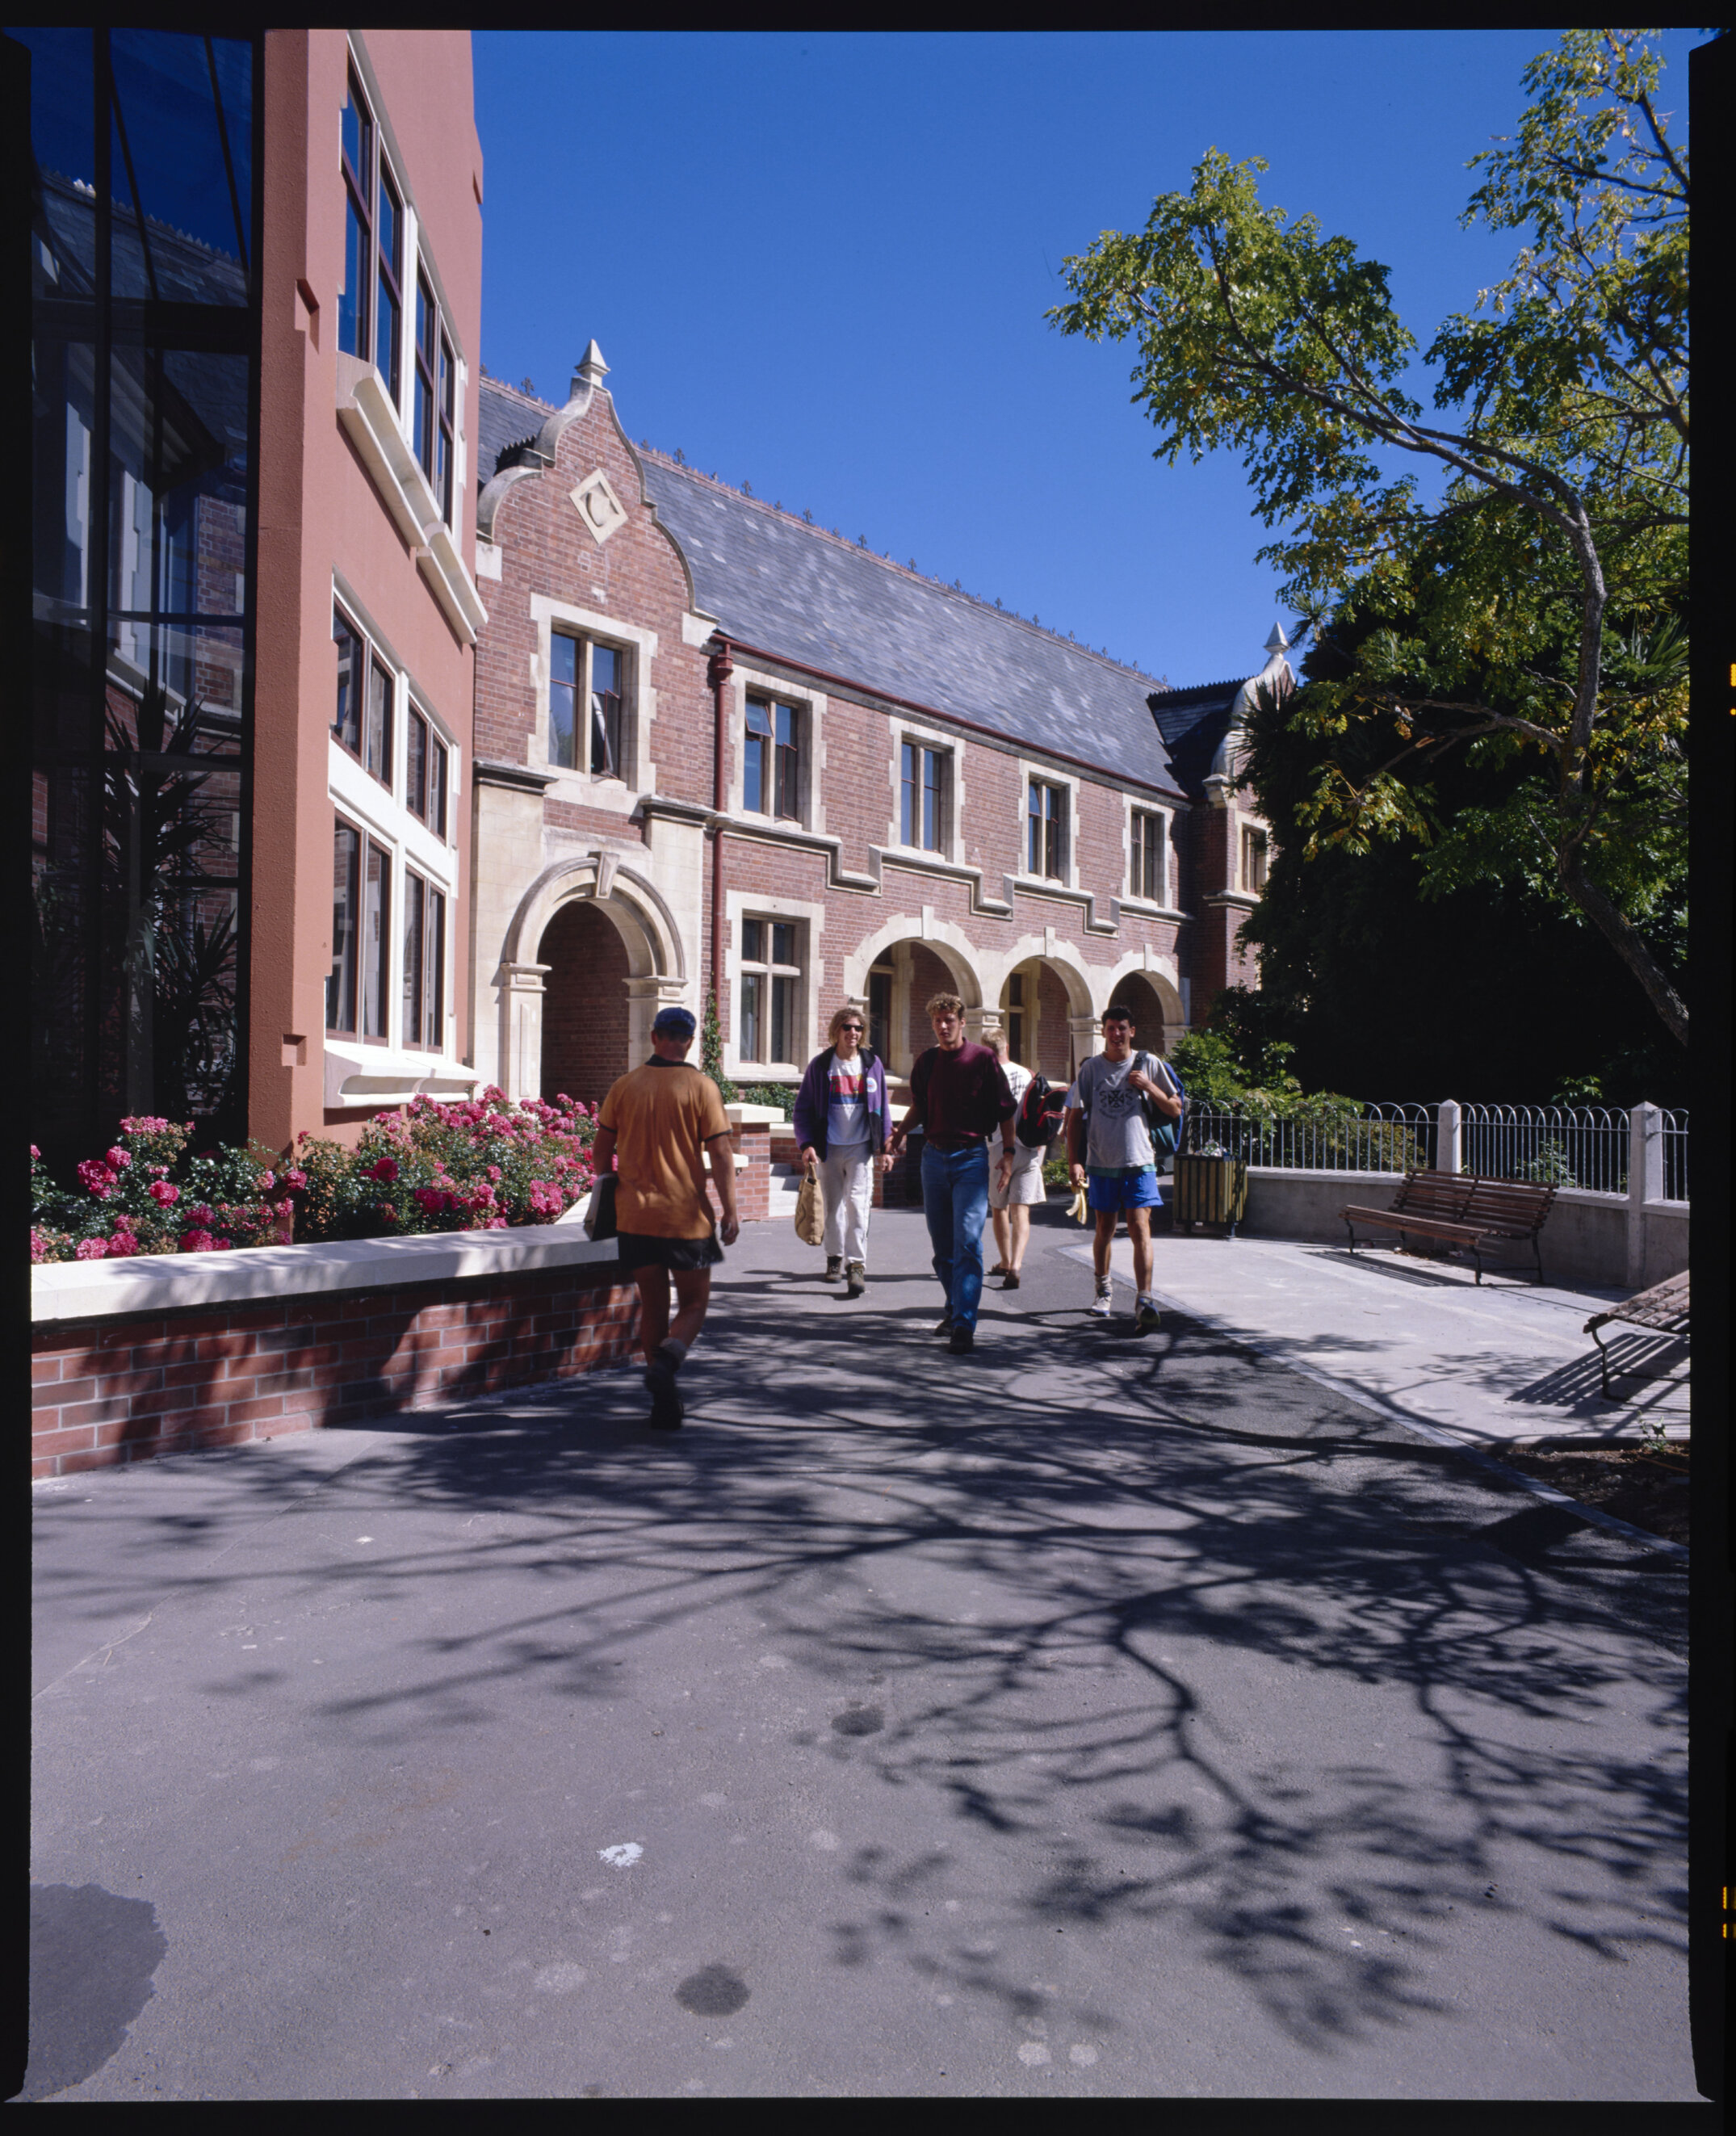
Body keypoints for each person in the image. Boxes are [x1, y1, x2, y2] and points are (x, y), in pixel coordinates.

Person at [591, 1005, 740, 1429]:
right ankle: (671, 1357)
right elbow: (721, 1153)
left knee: (653, 1306)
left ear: (655, 1037)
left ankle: (662, 1400)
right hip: (685, 1217)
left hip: (634, 1217)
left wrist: (607, 1182)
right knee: (693, 1303)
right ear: (688, 1041)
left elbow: (601, 1149)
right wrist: (731, 1210)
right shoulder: (700, 1087)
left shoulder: (625, 1086)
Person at [887, 993, 1017, 1355]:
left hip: (971, 1159)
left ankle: (963, 1325)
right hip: (933, 1159)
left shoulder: (983, 1059)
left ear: (962, 1023)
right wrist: (897, 1135)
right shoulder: (927, 1062)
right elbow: (920, 1106)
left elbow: (1006, 1111)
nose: (944, 1026)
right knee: (942, 1248)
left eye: (950, 1020)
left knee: (968, 1243)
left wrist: (1007, 1154)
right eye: (938, 1021)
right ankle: (956, 1305)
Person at [1066, 1006, 1182, 1333]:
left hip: (1139, 1161)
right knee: (1104, 1227)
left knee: (1140, 1228)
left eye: (1122, 1028)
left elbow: (1175, 1109)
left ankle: (1144, 1299)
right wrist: (1074, 1160)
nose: (1116, 1034)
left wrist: (1150, 1087)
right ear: (1104, 1031)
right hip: (1101, 1162)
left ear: (1133, 1031)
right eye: (1111, 1028)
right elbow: (1074, 1117)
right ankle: (1103, 1291)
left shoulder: (1149, 1064)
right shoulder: (1090, 1069)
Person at [793, 1005, 894, 1298]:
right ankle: (835, 1258)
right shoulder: (822, 1065)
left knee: (859, 1206)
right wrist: (807, 1143)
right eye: (848, 1027)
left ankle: (857, 1265)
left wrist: (886, 1146)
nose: (853, 1033)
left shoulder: (872, 1063)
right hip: (830, 1148)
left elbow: (882, 1109)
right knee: (834, 1207)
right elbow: (803, 1109)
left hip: (861, 1147)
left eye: (858, 1028)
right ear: (837, 1030)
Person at [983, 1031, 1043, 1290]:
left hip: (998, 1146)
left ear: (987, 1051)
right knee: (1022, 1210)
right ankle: (1017, 1265)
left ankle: (1005, 1261)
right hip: (1028, 1148)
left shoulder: (987, 1077)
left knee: (999, 1208)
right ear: (1007, 1046)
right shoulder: (1028, 1074)